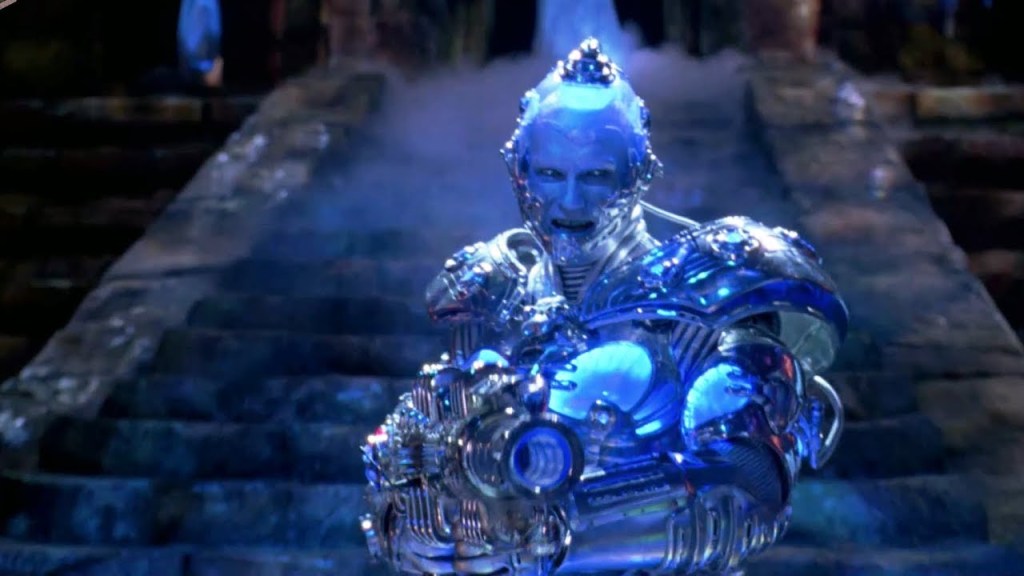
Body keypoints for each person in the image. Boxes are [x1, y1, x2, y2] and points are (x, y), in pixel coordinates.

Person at [360, 37, 848, 575]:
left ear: (637, 176)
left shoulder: (701, 300)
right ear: (519, 171)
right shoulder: (493, 292)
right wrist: (406, 531)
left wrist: (552, 542)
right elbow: (412, 457)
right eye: (551, 175)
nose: (570, 202)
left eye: (595, 177)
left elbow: (746, 490)